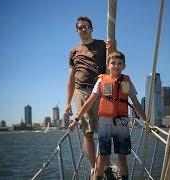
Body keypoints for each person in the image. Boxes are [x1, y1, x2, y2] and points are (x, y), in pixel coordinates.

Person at [68, 51, 148, 180]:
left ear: (124, 66)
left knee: (122, 157)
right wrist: (76, 120)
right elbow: (89, 102)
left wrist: (147, 119)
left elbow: (136, 102)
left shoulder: (126, 82)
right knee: (103, 156)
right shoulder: (101, 81)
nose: (116, 66)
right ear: (108, 64)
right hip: (104, 122)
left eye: (119, 63)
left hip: (122, 123)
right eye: (113, 63)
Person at [65, 16, 115, 175]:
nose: (84, 29)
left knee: (103, 130)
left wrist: (113, 47)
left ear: (91, 29)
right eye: (80, 27)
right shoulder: (74, 51)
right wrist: (67, 103)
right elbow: (71, 79)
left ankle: (105, 165)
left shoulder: (102, 45)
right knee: (87, 131)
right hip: (80, 91)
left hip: (100, 89)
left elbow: (113, 61)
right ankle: (94, 167)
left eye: (86, 26)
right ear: (77, 30)